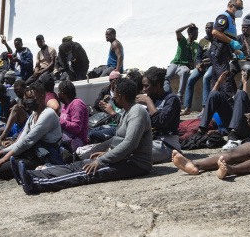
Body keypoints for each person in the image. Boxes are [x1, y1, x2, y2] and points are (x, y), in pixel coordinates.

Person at [11, 78, 153, 195]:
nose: (112, 97)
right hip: (124, 158)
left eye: (114, 94)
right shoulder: (127, 112)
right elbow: (122, 141)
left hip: (135, 163)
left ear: (121, 96)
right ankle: (31, 175)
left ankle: (36, 184)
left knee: (85, 173)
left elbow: (130, 144)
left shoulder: (137, 112)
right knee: (76, 166)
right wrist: (107, 153)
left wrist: (101, 160)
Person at [195, 69, 250, 149]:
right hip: (231, 126)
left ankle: (233, 137)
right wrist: (218, 83)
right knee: (214, 94)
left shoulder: (240, 95)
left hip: (247, 126)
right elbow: (211, 98)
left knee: (241, 94)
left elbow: (244, 98)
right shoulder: (225, 99)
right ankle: (200, 133)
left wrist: (244, 82)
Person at [136, 67, 181, 163]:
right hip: (152, 142)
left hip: (167, 145)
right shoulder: (153, 100)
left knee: (134, 154)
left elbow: (160, 121)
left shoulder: (171, 99)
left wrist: (148, 102)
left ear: (157, 85)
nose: (144, 90)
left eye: (146, 86)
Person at [209, 0, 244, 104]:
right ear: (230, 6)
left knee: (216, 82)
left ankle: (212, 108)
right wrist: (232, 42)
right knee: (225, 80)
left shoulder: (232, 20)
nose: (240, 10)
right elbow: (215, 32)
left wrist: (236, 52)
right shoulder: (225, 17)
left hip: (223, 53)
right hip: (219, 54)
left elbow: (225, 41)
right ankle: (229, 107)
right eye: (238, 7)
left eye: (242, 8)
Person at [182, 22, 214, 115]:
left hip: (212, 65)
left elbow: (218, 57)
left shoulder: (217, 40)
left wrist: (208, 63)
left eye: (210, 28)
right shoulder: (202, 41)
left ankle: (205, 107)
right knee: (191, 79)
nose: (208, 30)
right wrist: (199, 64)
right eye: (206, 28)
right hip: (202, 65)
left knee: (206, 78)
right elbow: (198, 56)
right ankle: (187, 107)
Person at [164, 23, 199, 103]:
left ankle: (179, 96)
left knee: (184, 72)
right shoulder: (183, 41)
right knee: (168, 75)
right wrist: (188, 26)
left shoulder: (197, 45)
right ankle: (167, 93)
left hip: (184, 65)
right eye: (195, 33)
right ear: (189, 34)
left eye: (197, 33)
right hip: (175, 63)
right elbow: (177, 31)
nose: (196, 35)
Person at [58, 80, 89, 152]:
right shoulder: (65, 105)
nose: (58, 94)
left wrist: (59, 119)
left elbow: (76, 128)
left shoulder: (77, 104)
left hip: (76, 141)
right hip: (65, 138)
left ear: (63, 94)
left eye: (58, 91)